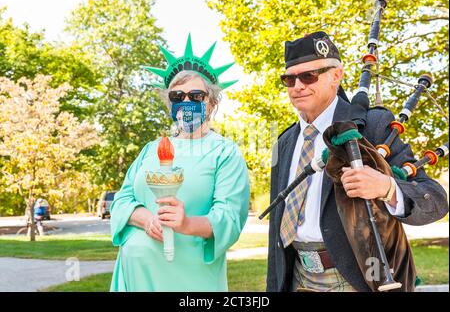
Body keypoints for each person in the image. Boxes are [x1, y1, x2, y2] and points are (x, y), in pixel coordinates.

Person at [267, 31, 448, 292]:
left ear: (336, 75)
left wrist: (387, 187)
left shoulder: (372, 127)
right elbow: (277, 226)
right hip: (297, 277)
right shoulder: (284, 142)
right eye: (289, 78)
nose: (297, 86)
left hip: (357, 280)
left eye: (309, 76)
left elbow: (436, 200)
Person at [109, 35, 250, 292]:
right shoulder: (151, 150)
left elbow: (228, 218)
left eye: (196, 96)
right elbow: (122, 200)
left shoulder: (224, 152)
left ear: (212, 102)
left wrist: (185, 224)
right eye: (177, 96)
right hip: (136, 280)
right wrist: (145, 219)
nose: (186, 102)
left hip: (190, 282)